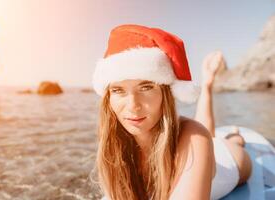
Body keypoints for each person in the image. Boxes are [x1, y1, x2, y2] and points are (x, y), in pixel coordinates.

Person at [92, 24, 252, 200]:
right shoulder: (113, 141)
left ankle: (233, 137)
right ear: (108, 97)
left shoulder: (195, 136)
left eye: (146, 87)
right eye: (118, 90)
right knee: (203, 136)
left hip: (230, 160)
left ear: (165, 93)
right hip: (201, 148)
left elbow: (198, 135)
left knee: (208, 137)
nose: (132, 106)